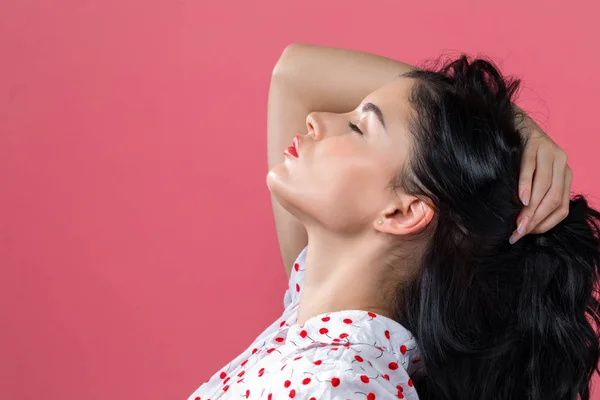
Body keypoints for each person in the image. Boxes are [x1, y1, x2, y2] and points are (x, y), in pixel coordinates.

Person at [187, 43, 600, 400]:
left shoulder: (338, 385)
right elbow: (295, 73)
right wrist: (521, 129)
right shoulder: (315, 309)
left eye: (356, 127)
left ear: (403, 212)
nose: (315, 119)